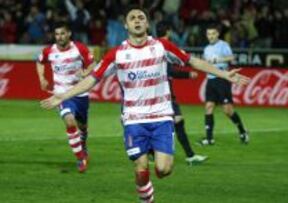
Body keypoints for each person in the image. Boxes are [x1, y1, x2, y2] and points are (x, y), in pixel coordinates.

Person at [41, 6, 249, 203]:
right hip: (134, 119)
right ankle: (146, 199)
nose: (137, 21)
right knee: (141, 168)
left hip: (161, 118)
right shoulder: (116, 54)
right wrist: (63, 96)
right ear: (126, 25)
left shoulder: (161, 46)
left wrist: (224, 74)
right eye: (133, 18)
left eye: (141, 17)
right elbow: (92, 79)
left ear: (147, 23)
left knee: (163, 170)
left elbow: (192, 61)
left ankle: (154, 166)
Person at [36, 21, 95, 173]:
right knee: (69, 121)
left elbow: (92, 63)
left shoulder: (80, 48)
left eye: (62, 33)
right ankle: (80, 158)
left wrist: (86, 72)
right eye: (57, 34)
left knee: (83, 126)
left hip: (80, 92)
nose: (59, 37)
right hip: (61, 94)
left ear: (69, 34)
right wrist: (42, 77)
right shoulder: (49, 51)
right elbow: (40, 61)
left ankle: (83, 143)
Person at [156, 21, 208, 165]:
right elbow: (169, 70)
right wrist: (188, 74)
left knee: (176, 121)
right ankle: (189, 155)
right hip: (164, 91)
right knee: (170, 122)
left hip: (160, 90)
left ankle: (189, 156)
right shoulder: (164, 46)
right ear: (168, 31)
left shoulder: (153, 45)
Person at [200, 24, 249, 146]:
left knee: (227, 110)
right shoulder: (206, 49)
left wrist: (218, 60)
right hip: (210, 80)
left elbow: (232, 57)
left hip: (222, 79)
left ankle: (242, 131)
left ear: (217, 34)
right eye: (208, 34)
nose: (210, 36)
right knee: (209, 107)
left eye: (213, 34)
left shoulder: (223, 45)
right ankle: (209, 138)